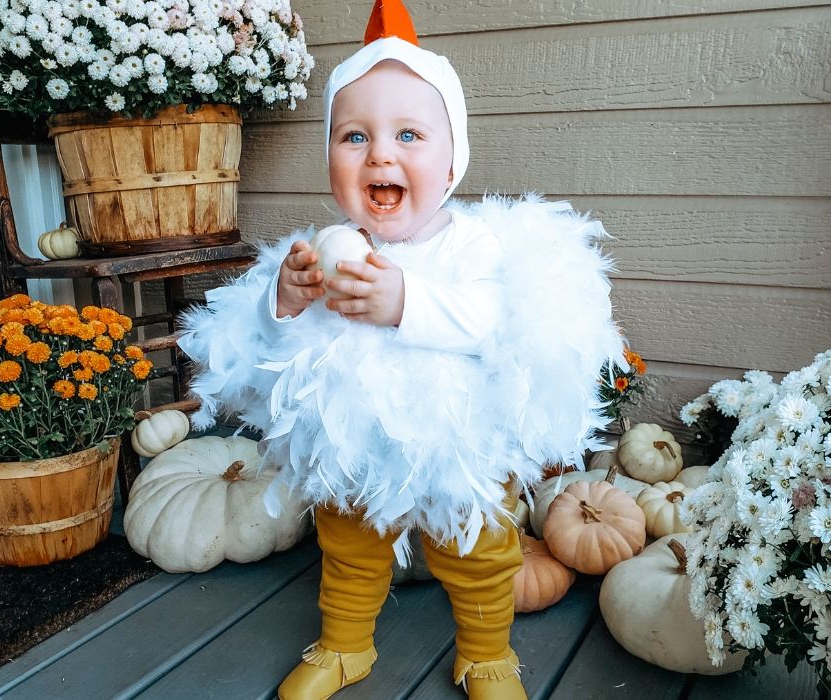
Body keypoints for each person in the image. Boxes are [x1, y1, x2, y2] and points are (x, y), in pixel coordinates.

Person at [178, 2, 625, 699]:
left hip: (455, 444)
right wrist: (286, 302)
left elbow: (487, 323)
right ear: (330, 157)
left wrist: (402, 303)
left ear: (452, 159)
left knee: (476, 550)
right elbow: (279, 357)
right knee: (348, 548)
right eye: (354, 136)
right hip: (356, 444)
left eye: (408, 134)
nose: (380, 153)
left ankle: (485, 653)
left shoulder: (468, 243)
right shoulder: (327, 248)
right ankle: (343, 645)